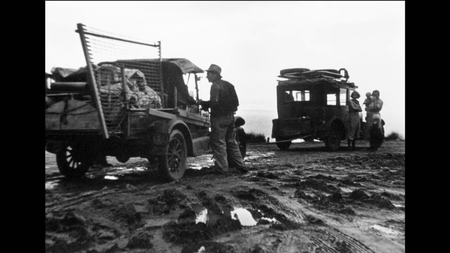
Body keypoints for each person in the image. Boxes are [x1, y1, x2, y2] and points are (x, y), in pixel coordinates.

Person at [198, 64, 247, 174]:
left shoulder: (215, 86)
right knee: (232, 142)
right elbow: (236, 103)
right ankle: (241, 165)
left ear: (215, 75)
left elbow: (214, 103)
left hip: (219, 118)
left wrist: (203, 104)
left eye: (209, 74)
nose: (207, 76)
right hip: (230, 117)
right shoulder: (229, 85)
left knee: (219, 143)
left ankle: (222, 169)